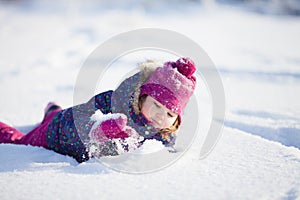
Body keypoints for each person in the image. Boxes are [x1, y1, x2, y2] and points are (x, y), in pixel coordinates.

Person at [0, 57, 197, 163]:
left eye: (170, 114)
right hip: (57, 134)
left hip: (59, 123)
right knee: (19, 141)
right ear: (142, 96)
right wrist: (98, 131)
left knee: (53, 115)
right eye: (156, 105)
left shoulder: (164, 134)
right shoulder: (113, 103)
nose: (161, 115)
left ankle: (52, 110)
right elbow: (80, 116)